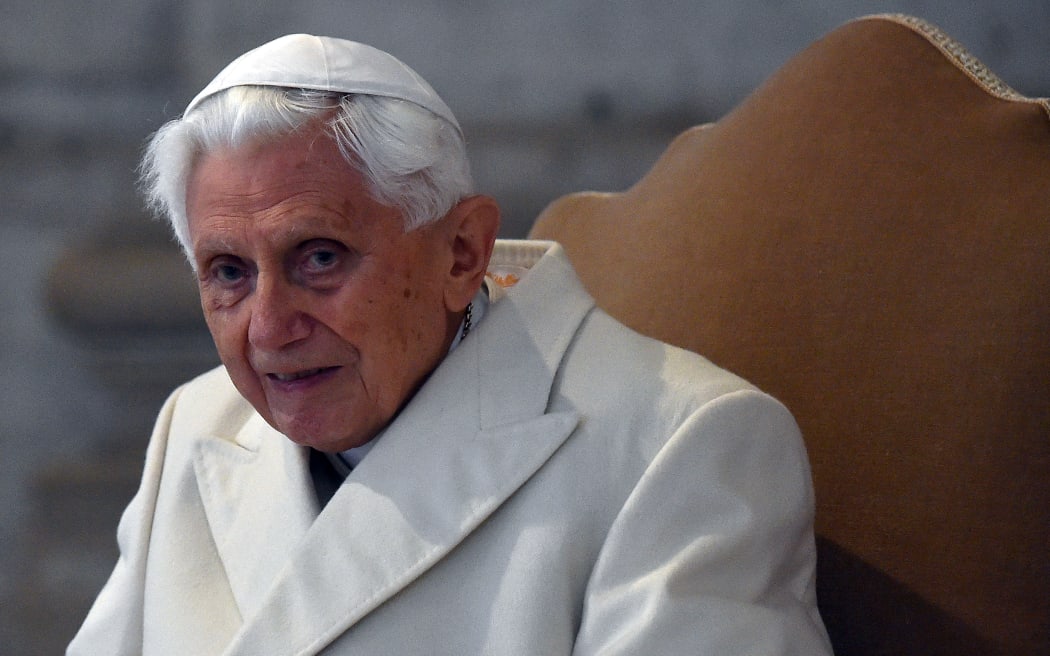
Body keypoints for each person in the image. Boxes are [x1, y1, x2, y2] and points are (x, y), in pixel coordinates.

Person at [68, 34, 832, 655]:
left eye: (320, 258)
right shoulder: (197, 426)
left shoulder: (678, 448)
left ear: (461, 253)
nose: (269, 329)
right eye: (228, 272)